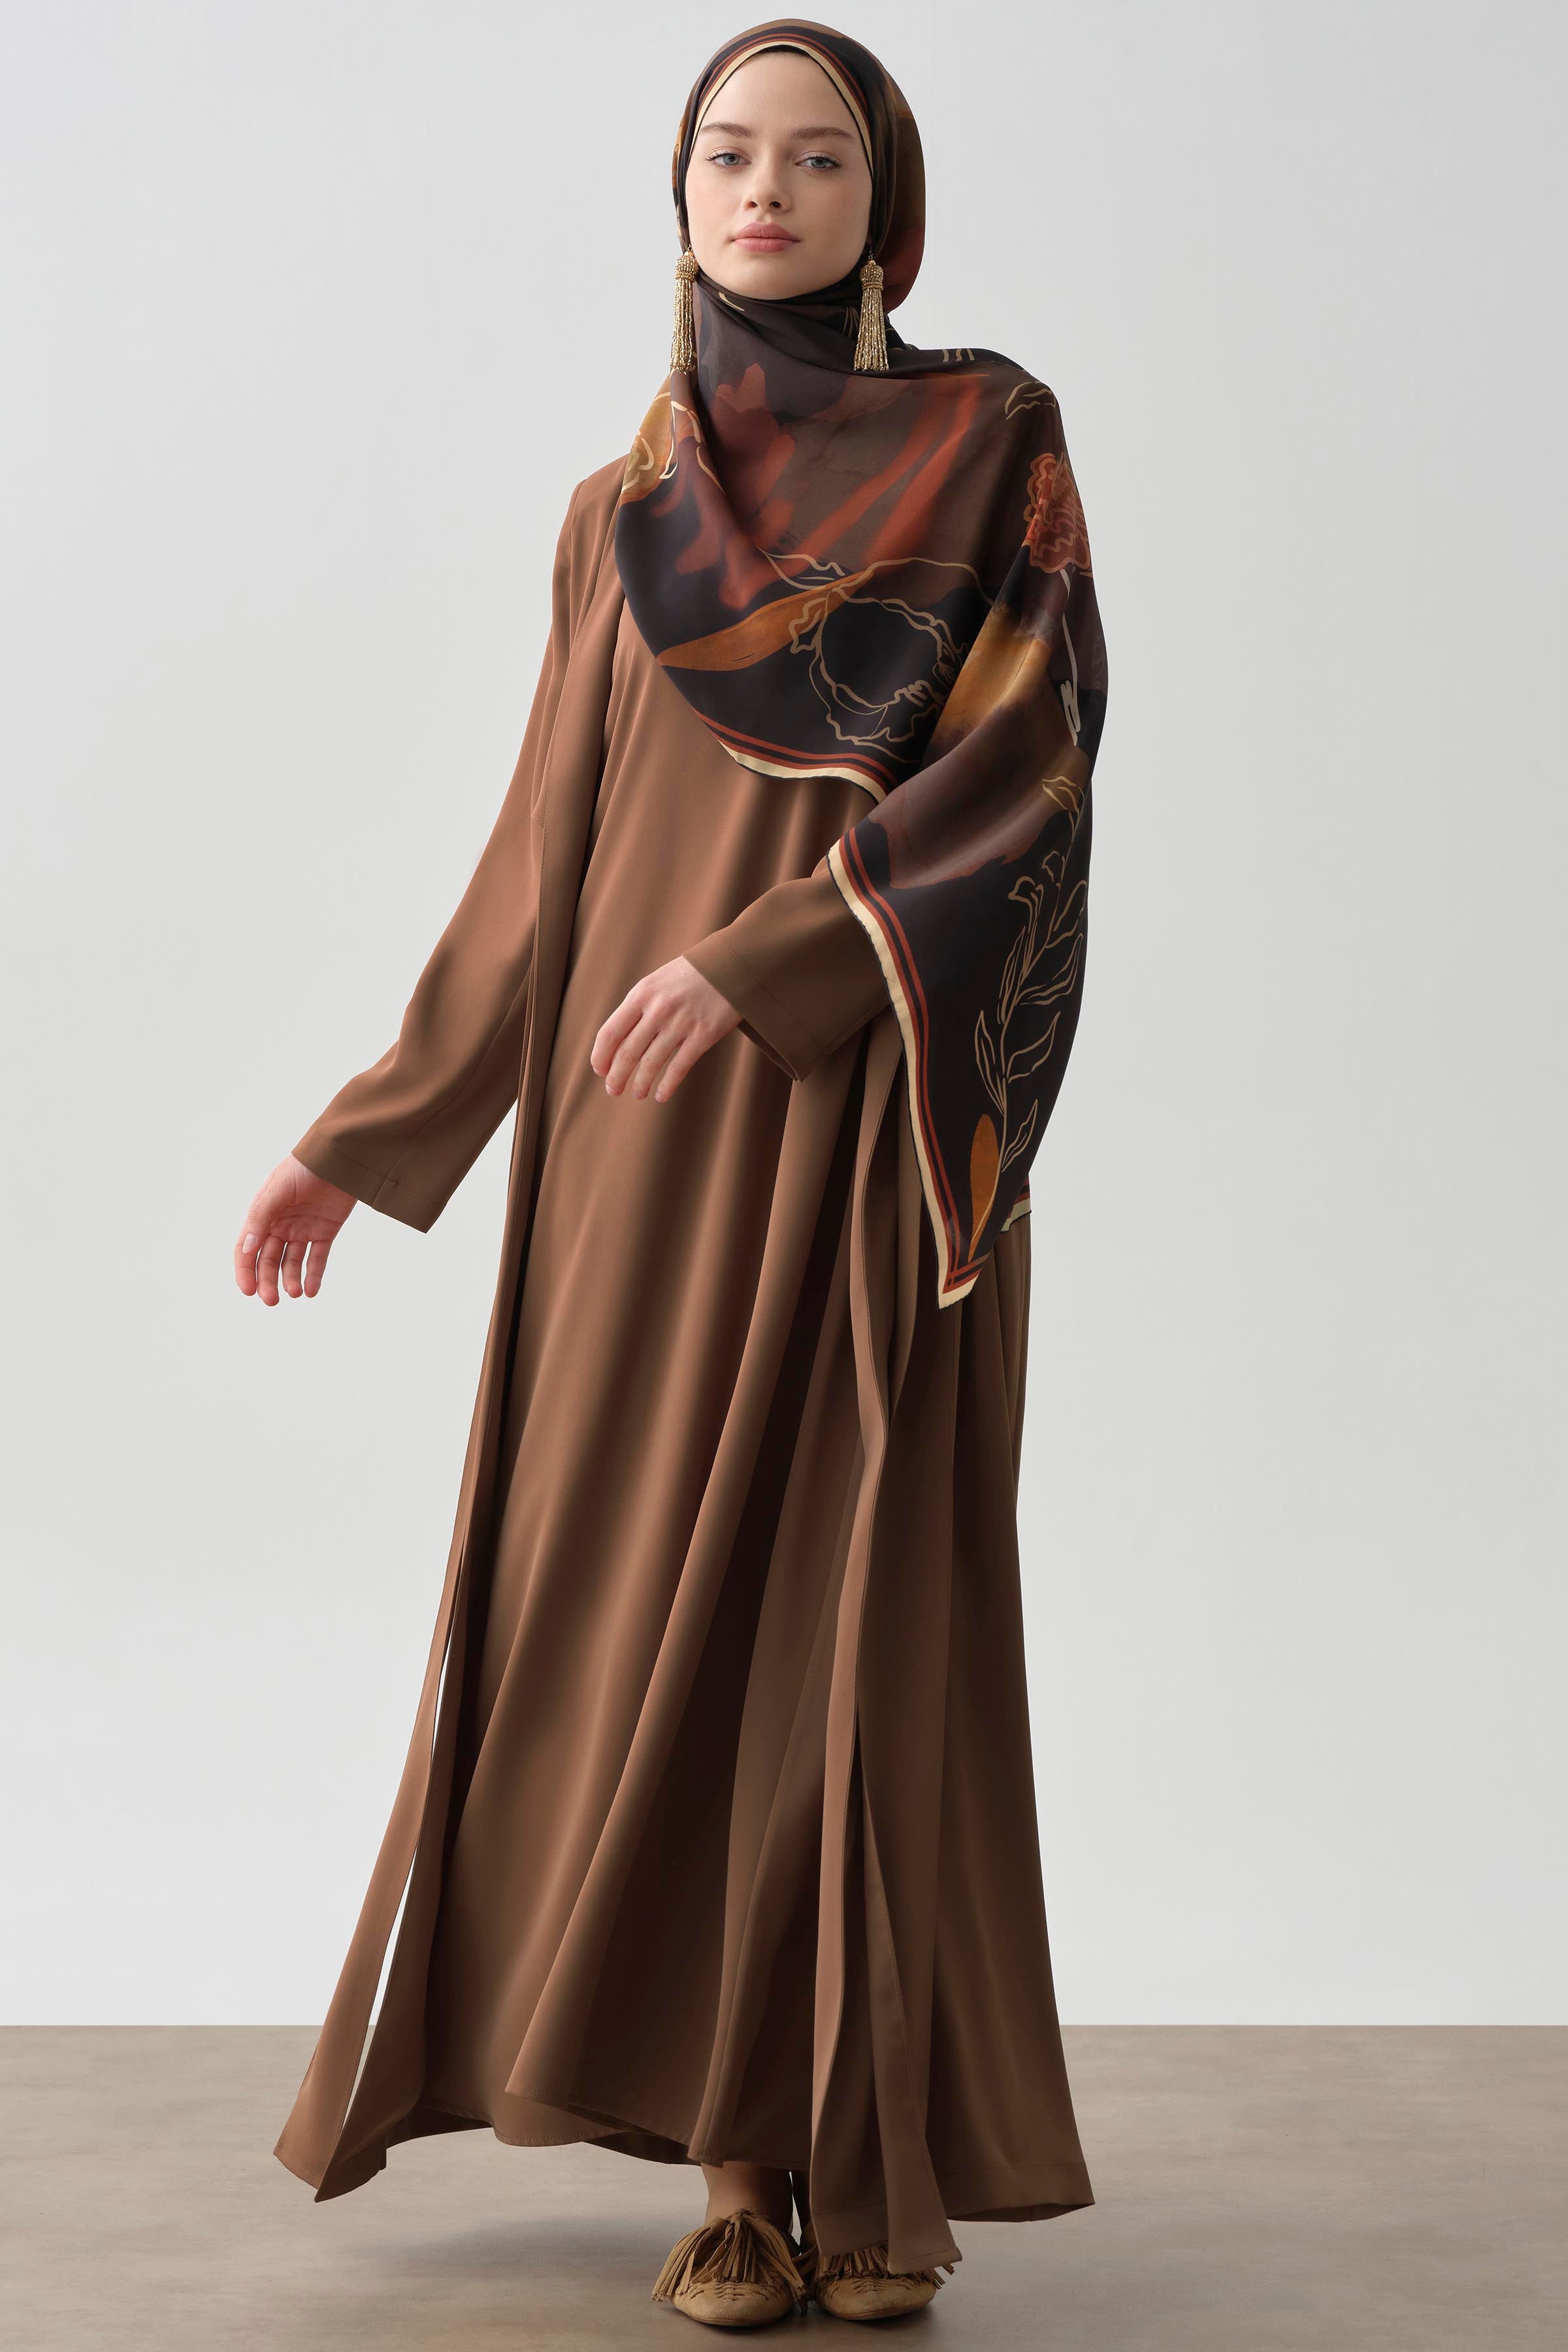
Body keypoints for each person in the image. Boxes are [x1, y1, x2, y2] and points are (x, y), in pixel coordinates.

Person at [236, 17, 1108, 2332]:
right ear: (682, 188)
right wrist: (369, 1135)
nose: (767, 191)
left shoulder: (994, 450)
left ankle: (866, 2164)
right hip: (640, 1161)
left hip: (873, 1119)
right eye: (731, 152)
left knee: (849, 1623)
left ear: (885, 201)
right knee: (646, 1635)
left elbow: (1029, 767)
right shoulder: (618, 514)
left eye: (818, 157)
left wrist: (773, 963)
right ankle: (731, 2179)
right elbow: (546, 860)